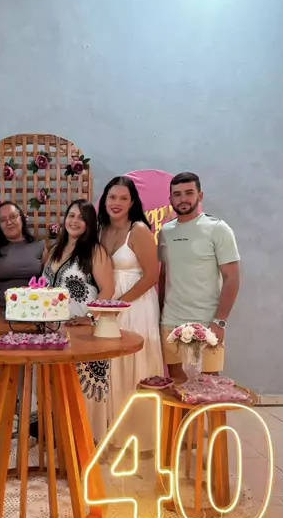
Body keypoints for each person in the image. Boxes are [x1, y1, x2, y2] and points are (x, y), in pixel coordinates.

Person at [99, 176, 163, 452]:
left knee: (136, 362)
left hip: (136, 305)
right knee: (112, 365)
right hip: (108, 305)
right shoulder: (101, 230)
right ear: (105, 199)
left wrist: (119, 304)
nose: (117, 203)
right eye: (112, 197)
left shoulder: (138, 230)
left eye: (123, 198)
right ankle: (112, 431)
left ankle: (140, 436)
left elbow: (151, 276)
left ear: (133, 202)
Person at [43, 199, 114, 442]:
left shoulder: (95, 251)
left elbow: (108, 289)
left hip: (82, 333)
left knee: (82, 389)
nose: (74, 221)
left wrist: (90, 317)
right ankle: (60, 439)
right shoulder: (54, 250)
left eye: (81, 218)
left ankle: (86, 442)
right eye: (71, 215)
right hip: (51, 332)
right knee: (56, 387)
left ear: (89, 224)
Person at [158, 171, 240, 380]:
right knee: (177, 386)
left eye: (189, 193)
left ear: (200, 195)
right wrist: (159, 315)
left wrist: (219, 322)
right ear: (170, 199)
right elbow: (164, 275)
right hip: (170, 322)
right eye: (177, 194)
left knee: (208, 387)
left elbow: (232, 278)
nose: (183, 199)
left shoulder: (218, 229)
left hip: (207, 323)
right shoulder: (165, 232)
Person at [0, 201, 46, 321]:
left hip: (34, 313)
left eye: (13, 216)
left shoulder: (39, 245)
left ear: (22, 218)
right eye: (3, 220)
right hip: (1, 313)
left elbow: (49, 281)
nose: (9, 222)